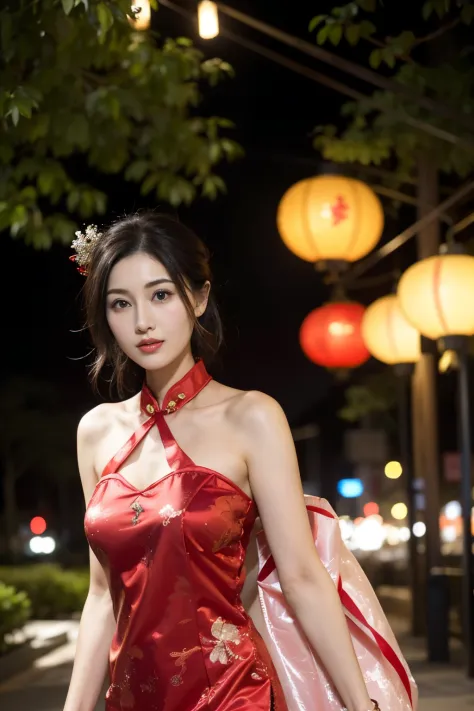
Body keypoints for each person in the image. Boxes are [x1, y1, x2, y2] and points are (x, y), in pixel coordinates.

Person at [63, 212, 381, 711]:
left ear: (199, 298)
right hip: (129, 699)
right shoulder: (96, 432)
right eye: (120, 304)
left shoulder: (252, 417)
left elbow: (301, 577)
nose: (142, 321)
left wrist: (360, 706)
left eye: (161, 294)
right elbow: (103, 596)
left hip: (233, 694)